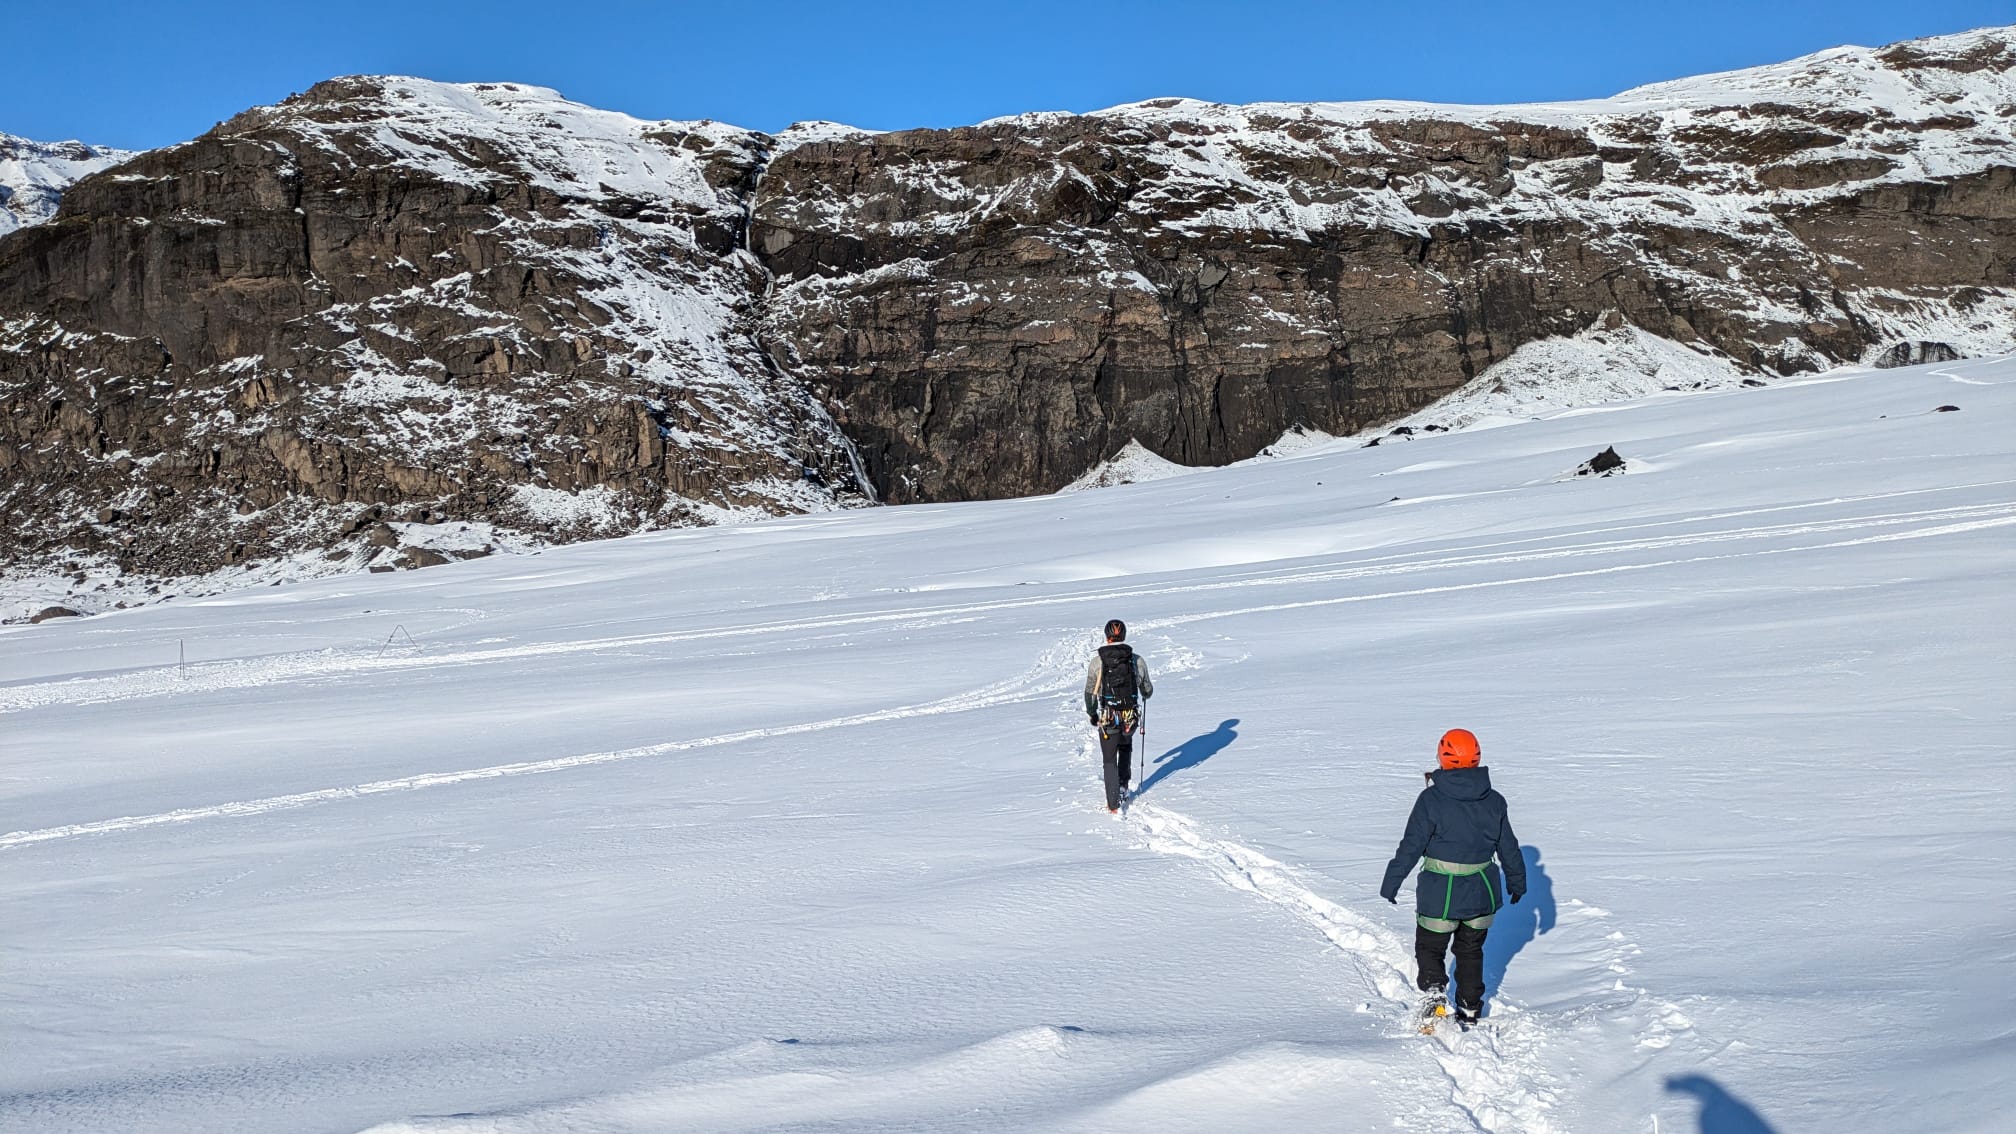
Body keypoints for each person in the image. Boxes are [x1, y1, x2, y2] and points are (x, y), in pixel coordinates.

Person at [1380, 728, 1525, 1026]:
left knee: (1430, 946)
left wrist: (1392, 880)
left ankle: (1435, 994)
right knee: (1471, 950)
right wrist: (1517, 881)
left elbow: (1411, 846)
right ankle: (1470, 1006)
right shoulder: (1494, 800)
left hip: (1440, 895)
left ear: (1443, 758)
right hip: (1482, 893)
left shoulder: (1431, 800)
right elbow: (1508, 846)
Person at [1084, 619, 1153, 813]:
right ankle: (1123, 786)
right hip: (1129, 716)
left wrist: (1092, 713)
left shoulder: (1098, 662)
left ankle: (1113, 803)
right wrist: (1144, 694)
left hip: (1108, 716)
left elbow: (1090, 692)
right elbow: (1147, 689)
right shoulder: (1136, 660)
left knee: (1108, 759)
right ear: (1124, 635)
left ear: (1106, 636)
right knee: (1125, 746)